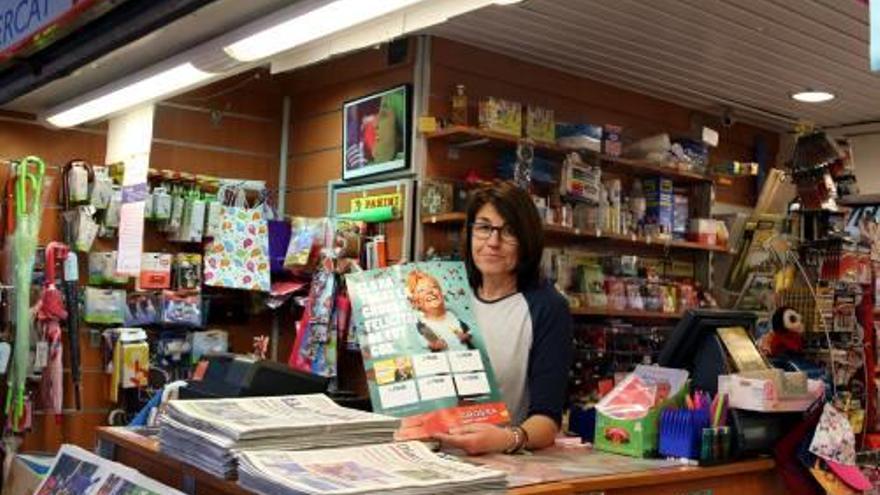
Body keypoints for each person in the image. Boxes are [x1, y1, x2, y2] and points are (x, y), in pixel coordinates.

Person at [434, 181, 573, 455]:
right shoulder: (445, 294)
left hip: (497, 462)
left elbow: (547, 420)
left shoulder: (547, 307)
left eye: (508, 231)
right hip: (430, 456)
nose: (493, 242)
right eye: (484, 227)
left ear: (526, 240)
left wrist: (504, 439)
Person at [406, 269, 474, 352]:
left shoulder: (451, 315)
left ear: (441, 293)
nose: (430, 291)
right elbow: (425, 343)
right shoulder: (423, 325)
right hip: (443, 360)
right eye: (421, 290)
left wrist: (466, 336)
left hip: (467, 357)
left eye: (434, 287)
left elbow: (468, 331)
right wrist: (433, 344)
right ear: (416, 303)